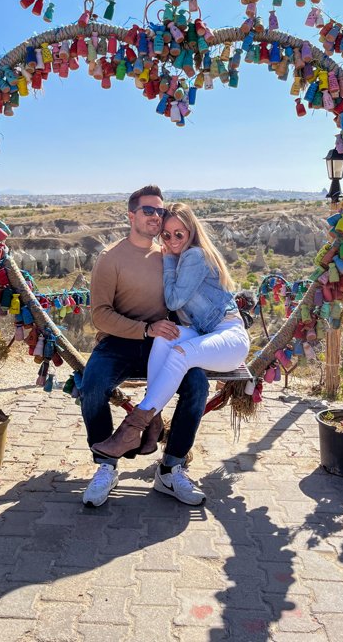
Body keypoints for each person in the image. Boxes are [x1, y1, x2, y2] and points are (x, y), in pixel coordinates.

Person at [92, 202, 250, 469]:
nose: (173, 240)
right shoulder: (183, 257)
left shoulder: (193, 256)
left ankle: (131, 430)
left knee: (181, 354)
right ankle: (153, 425)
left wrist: (165, 259)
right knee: (166, 337)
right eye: (166, 235)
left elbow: (174, 300)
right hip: (206, 334)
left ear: (191, 231)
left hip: (230, 338)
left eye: (180, 233)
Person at [80, 186, 210, 508]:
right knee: (93, 386)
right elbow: (100, 315)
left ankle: (170, 469)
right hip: (120, 341)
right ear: (131, 215)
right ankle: (105, 466)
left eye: (160, 211)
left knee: (197, 385)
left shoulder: (171, 253)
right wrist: (145, 329)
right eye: (148, 210)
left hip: (163, 342)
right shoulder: (110, 259)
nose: (156, 216)